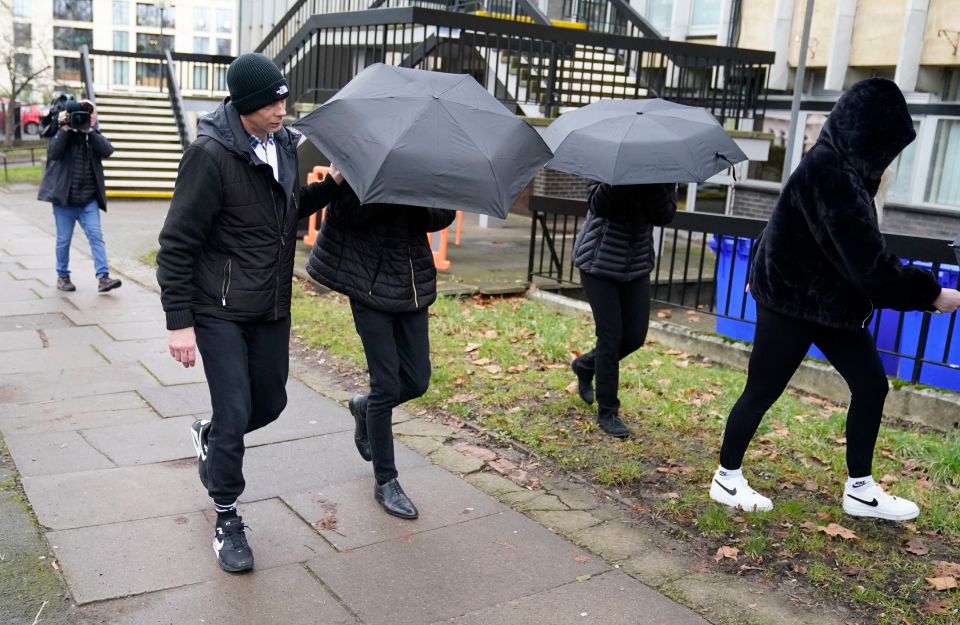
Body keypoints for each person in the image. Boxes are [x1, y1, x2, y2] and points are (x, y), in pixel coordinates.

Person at [709, 78, 960, 521]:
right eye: (890, 144)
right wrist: (933, 293)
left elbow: (780, 223)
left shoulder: (837, 167)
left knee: (871, 385)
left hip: (829, 305)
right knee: (763, 390)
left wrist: (754, 273)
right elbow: (870, 266)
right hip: (791, 303)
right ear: (872, 134)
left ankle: (860, 490)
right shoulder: (832, 174)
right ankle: (727, 477)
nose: (891, 156)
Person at [156, 52, 343, 572]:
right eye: (272, 101)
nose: (283, 108)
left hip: (270, 305)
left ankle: (209, 436)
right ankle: (226, 515)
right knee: (236, 412)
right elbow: (176, 245)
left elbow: (282, 209)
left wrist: (330, 188)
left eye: (283, 97)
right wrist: (179, 322)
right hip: (217, 308)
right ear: (245, 106)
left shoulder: (283, 144)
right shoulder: (209, 156)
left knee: (271, 403)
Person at [306, 180, 455, 519]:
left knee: (417, 381)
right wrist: (387, 194)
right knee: (386, 385)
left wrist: (416, 197)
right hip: (367, 282)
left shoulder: (423, 167)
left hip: (411, 281)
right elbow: (343, 214)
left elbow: (443, 216)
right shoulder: (361, 162)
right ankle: (386, 481)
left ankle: (364, 408)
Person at [570, 182, 677, 438]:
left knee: (634, 337)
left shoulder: (663, 174)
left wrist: (655, 184)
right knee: (610, 337)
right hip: (598, 261)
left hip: (636, 265)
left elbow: (663, 215)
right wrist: (621, 181)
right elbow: (598, 205)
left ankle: (585, 366)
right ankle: (608, 411)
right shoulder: (611, 163)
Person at [37, 99, 122, 293]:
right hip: (65, 201)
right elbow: (54, 153)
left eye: (89, 112)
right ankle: (63, 276)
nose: (83, 117)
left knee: (96, 236)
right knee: (63, 240)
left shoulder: (91, 135)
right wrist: (64, 128)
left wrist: (89, 131)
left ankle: (103, 278)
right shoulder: (62, 132)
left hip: (88, 200)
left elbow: (108, 150)